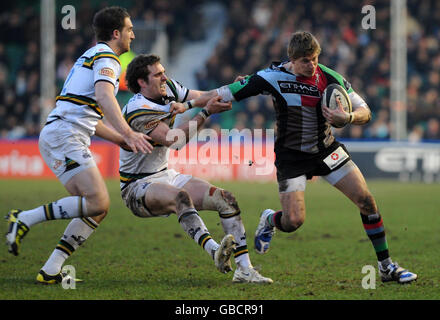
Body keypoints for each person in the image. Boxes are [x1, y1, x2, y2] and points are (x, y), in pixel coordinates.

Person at [200, 31, 417, 284]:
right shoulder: (272, 77)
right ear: (291, 59)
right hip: (291, 157)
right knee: (293, 221)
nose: (311, 65)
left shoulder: (330, 77)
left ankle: (386, 267)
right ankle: (270, 218)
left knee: (366, 201)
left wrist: (347, 118)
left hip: (326, 150)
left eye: (314, 58)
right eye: (305, 60)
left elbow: (365, 111)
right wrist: (187, 105)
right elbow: (225, 92)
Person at [5, 7, 158, 284]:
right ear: (116, 33)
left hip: (64, 134)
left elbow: (89, 117)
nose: (133, 35)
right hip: (64, 136)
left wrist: (122, 140)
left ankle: (51, 269)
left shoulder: (91, 57)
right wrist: (128, 132)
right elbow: (104, 97)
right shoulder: (107, 59)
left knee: (96, 208)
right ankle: (25, 217)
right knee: (98, 200)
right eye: (129, 29)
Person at [119, 53, 273, 283]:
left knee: (226, 199)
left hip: (165, 174)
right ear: (142, 82)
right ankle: (214, 251)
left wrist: (239, 88)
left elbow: (204, 96)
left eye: (163, 72)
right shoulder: (137, 110)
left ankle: (245, 270)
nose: (164, 77)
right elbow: (175, 140)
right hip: (136, 186)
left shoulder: (168, 88)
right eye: (158, 74)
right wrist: (206, 112)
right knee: (180, 197)